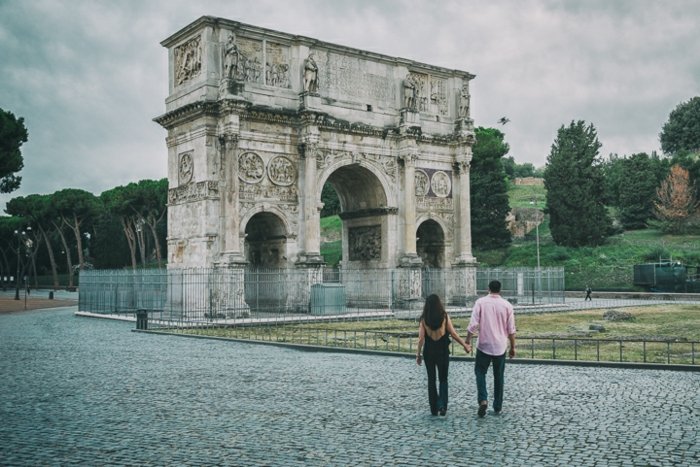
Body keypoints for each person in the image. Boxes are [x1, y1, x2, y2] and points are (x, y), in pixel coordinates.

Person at [465, 280, 516, 418]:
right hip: (500, 346)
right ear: (500, 290)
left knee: (480, 373)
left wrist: (468, 340)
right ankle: (498, 406)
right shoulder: (507, 305)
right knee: (499, 377)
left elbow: (473, 324)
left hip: (484, 345)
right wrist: (512, 347)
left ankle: (483, 399)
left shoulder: (480, 302)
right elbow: (511, 330)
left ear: (488, 289)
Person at [416, 294, 469, 416]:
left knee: (431, 380)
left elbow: (420, 339)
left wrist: (418, 355)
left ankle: (433, 408)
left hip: (429, 352)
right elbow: (454, 334)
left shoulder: (424, 319)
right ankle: (442, 405)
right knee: (443, 379)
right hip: (442, 351)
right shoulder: (444, 316)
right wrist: (464, 345)